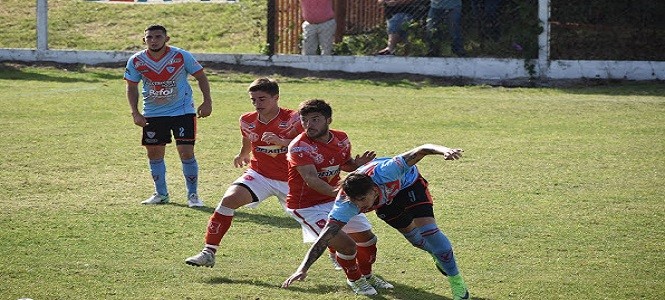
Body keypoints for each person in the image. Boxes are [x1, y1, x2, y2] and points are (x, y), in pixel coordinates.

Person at [282, 144, 470, 300]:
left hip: (409, 186)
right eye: (356, 202)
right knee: (416, 240)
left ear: (374, 189)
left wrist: (444, 150)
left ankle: (458, 285)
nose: (360, 207)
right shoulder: (346, 204)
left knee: (429, 232)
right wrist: (303, 268)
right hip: (387, 202)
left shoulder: (387, 171)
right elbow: (324, 238)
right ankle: (437, 254)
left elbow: (422, 149)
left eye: (363, 200)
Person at [184, 77, 302, 268]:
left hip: (292, 179)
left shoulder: (293, 119)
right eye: (253, 100)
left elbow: (308, 144)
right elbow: (248, 137)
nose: (257, 104)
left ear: (276, 98)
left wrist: (283, 142)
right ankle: (208, 253)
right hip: (260, 174)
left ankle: (336, 253)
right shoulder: (246, 119)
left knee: (317, 219)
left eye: (262, 99)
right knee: (228, 200)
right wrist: (243, 153)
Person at [282, 99, 392, 295]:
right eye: (304, 120)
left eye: (315, 119)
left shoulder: (341, 138)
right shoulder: (299, 147)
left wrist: (356, 165)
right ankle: (355, 280)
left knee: (368, 240)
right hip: (306, 206)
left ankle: (367, 276)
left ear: (328, 120)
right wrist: (340, 193)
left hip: (335, 199)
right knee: (347, 245)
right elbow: (311, 180)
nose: (309, 125)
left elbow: (343, 163)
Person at [124, 24, 213, 207]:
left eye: (158, 37)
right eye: (149, 37)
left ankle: (193, 196)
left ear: (167, 39)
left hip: (183, 111)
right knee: (154, 153)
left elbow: (201, 76)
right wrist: (135, 112)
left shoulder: (181, 56)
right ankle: (161, 194)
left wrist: (207, 101)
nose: (154, 41)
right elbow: (131, 87)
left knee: (186, 152)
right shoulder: (136, 60)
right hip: (153, 114)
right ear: (144, 40)